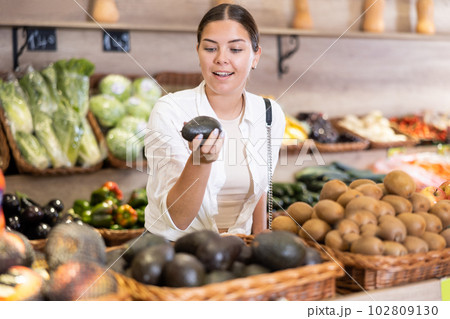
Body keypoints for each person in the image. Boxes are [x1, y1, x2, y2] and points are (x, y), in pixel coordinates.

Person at [144, 3, 285, 241]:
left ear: (255, 56)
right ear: (198, 51)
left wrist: (262, 242)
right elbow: (177, 219)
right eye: (210, 48)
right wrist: (200, 161)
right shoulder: (170, 111)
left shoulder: (269, 113)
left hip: (238, 250)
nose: (221, 59)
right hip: (175, 254)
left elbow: (262, 187)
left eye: (236, 50)